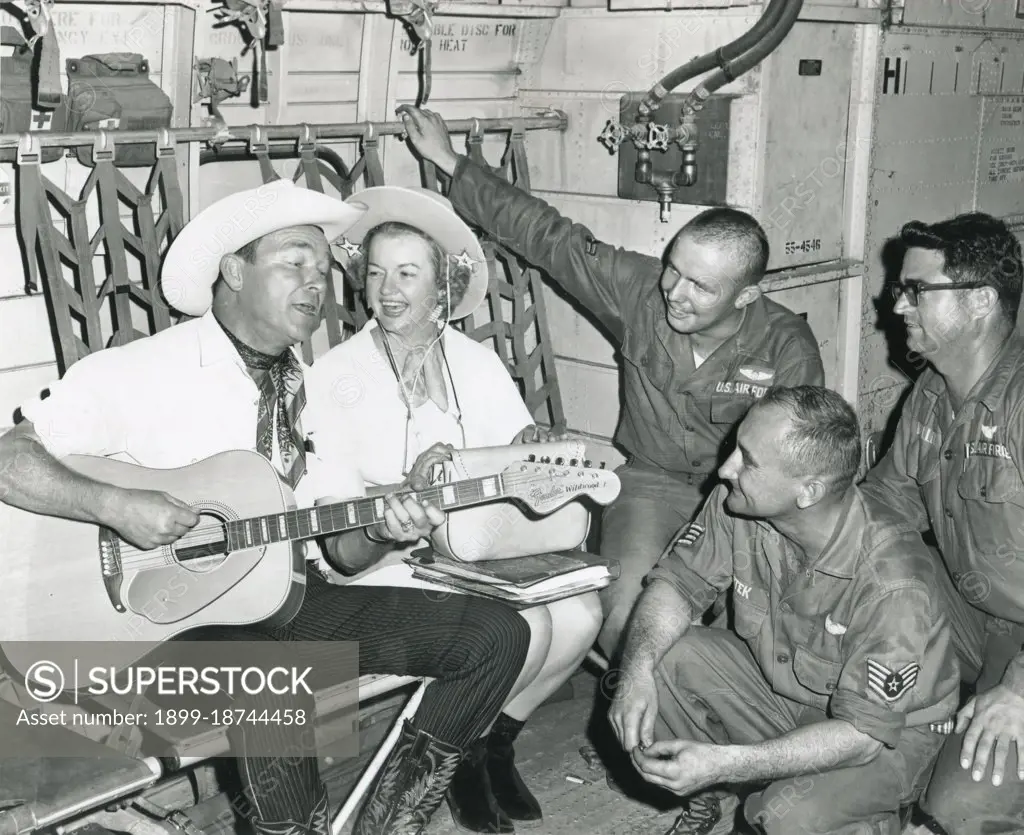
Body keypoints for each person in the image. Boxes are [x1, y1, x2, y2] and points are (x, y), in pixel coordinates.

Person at [0, 178, 534, 835]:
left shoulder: (309, 394)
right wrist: (117, 504)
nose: (317, 282)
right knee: (268, 672)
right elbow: (11, 462)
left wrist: (386, 530)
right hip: (142, 642)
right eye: (293, 263)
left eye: (322, 267)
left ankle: (387, 825)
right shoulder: (141, 371)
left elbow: (340, 546)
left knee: (495, 632)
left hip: (282, 603)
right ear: (233, 270)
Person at [395, 104, 826, 662]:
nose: (674, 291)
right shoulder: (640, 291)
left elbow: (802, 464)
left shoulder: (787, 347)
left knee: (762, 626)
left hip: (747, 493)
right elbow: (549, 237)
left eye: (701, 286)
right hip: (652, 482)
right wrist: (451, 161)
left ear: (746, 296)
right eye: (674, 268)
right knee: (626, 619)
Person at [308, 184, 604, 833]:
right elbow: (333, 509)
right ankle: (460, 751)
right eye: (376, 272)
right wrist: (391, 511)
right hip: (388, 558)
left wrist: (533, 445)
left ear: (441, 285)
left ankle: (489, 744)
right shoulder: (334, 374)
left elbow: (514, 454)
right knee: (534, 629)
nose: (387, 289)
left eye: (407, 273)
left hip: (474, 546)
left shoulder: (475, 362)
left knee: (582, 616)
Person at [609, 385, 960, 835]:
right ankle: (708, 795)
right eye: (736, 445)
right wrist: (636, 670)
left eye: (747, 461)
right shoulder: (737, 505)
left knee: (785, 816)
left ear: (808, 492)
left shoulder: (893, 579)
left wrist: (727, 762)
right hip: (787, 690)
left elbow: (862, 737)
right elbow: (677, 585)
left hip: (889, 734)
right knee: (663, 659)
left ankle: (873, 815)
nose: (725, 468)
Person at [858, 212, 1024, 835]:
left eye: (916, 290)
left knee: (963, 807)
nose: (898, 305)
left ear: (980, 301)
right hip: (974, 614)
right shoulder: (931, 389)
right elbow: (886, 508)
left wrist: (1018, 690)